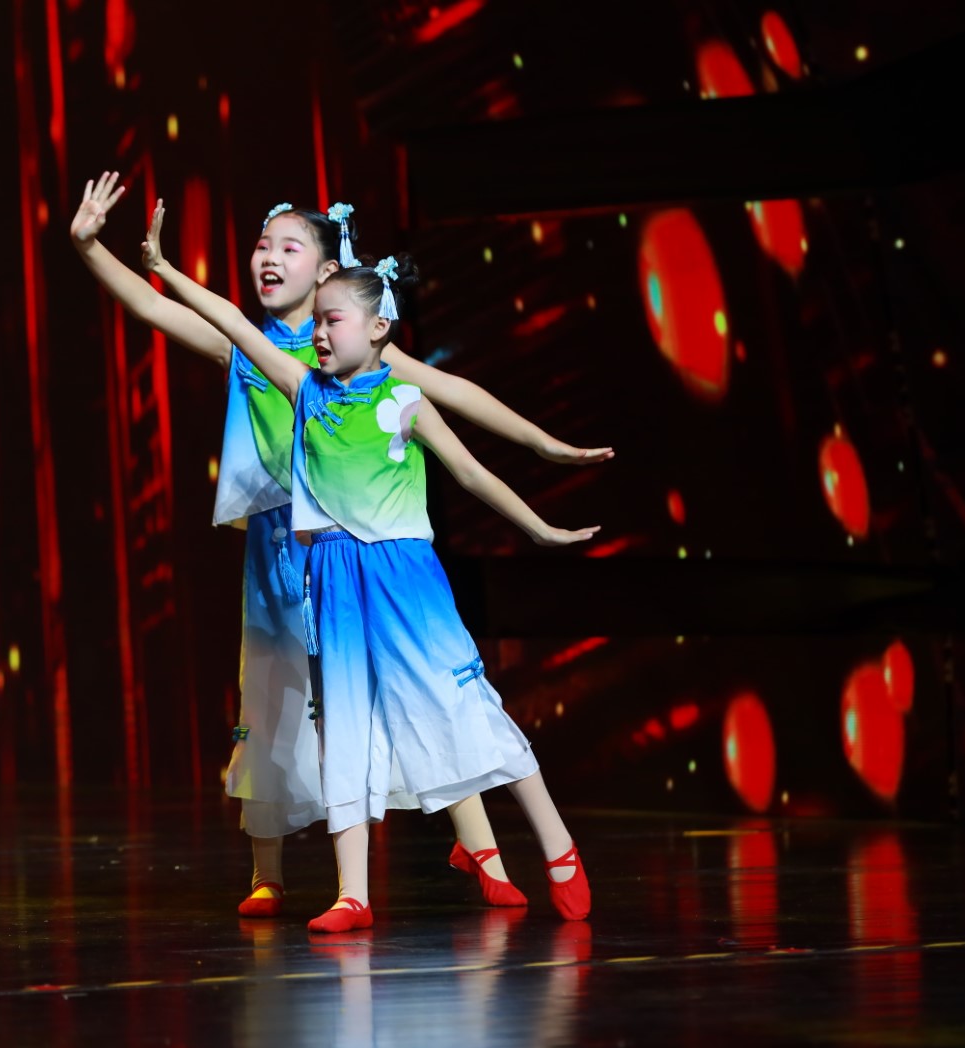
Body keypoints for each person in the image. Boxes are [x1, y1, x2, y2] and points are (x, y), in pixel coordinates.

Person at [71, 172, 608, 916]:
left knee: (412, 687)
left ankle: (480, 844)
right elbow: (160, 305)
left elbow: (457, 405)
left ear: (330, 273)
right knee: (286, 701)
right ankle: (280, 875)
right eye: (262, 244)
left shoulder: (364, 360)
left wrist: (544, 445)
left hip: (369, 548)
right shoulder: (267, 358)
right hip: (285, 547)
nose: (268, 256)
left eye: (288, 246)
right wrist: (91, 246)